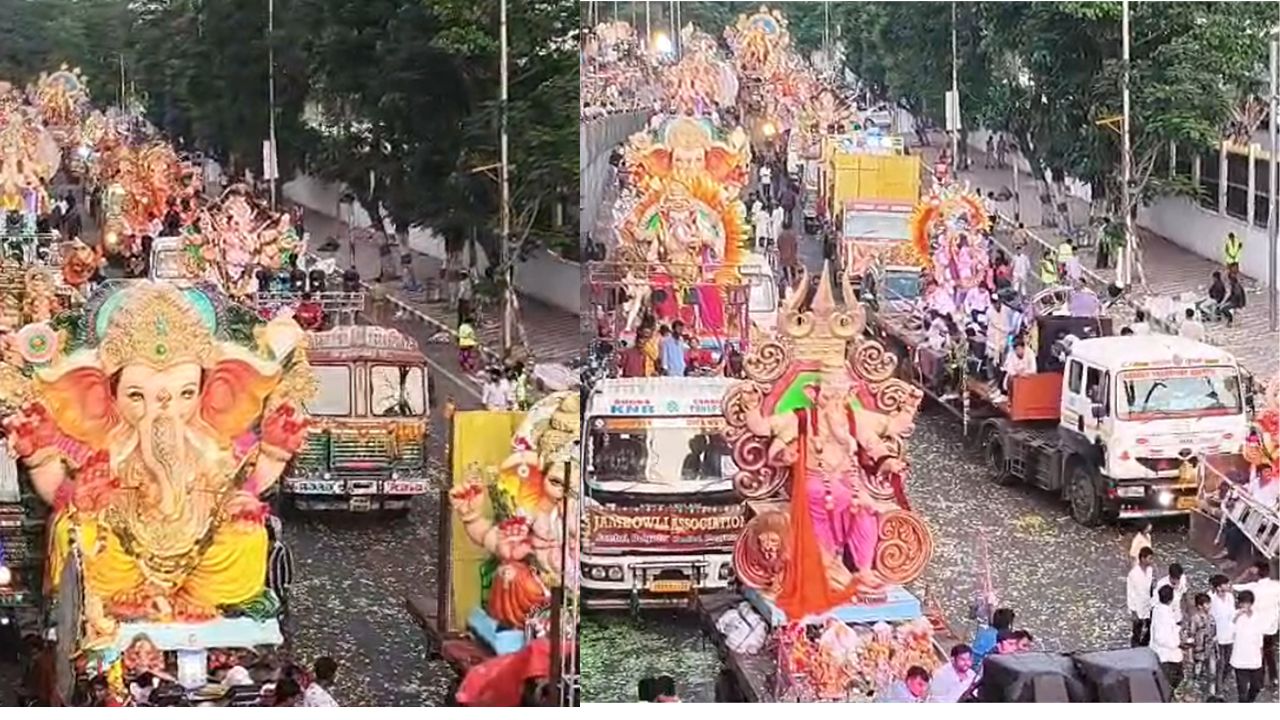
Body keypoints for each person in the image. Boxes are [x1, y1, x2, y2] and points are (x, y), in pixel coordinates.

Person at [1234, 560, 1279, 687]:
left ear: (1255, 571)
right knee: (1269, 652)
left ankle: (1260, 678)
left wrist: (1245, 574)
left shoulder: (1253, 587)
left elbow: (1234, 586)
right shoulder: (1277, 585)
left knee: (1258, 651)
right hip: (1271, 626)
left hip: (1257, 626)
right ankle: (1273, 677)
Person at [1230, 590, 1267, 702]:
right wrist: (1237, 616)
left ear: (1251, 603)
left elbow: (1260, 635)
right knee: (1242, 691)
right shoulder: (1235, 615)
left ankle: (1249, 702)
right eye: (1242, 603)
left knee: (1256, 686)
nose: (1244, 606)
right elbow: (1230, 631)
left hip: (1254, 658)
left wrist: (1261, 653)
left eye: (1247, 603)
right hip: (1240, 658)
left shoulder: (1257, 616)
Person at [1150, 584, 1183, 691]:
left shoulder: (1159, 610)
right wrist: (1176, 642)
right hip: (1166, 654)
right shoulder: (1163, 614)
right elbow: (1160, 637)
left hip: (1166, 652)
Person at [1183, 592, 1216, 699]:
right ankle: (1193, 694)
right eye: (1207, 604)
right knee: (1196, 674)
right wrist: (1189, 653)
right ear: (1200, 606)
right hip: (1199, 650)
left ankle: (1212, 695)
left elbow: (1214, 632)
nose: (1209, 606)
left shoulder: (1211, 617)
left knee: (1212, 673)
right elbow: (1191, 636)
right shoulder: (1195, 619)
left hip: (1210, 649)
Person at [1209, 574, 1237, 698]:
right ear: (1219, 587)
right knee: (1221, 663)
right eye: (1226, 584)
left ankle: (1221, 682)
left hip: (1230, 635)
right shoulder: (1212, 599)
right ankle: (1218, 689)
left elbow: (1232, 614)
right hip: (1219, 636)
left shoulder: (1230, 597)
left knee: (1230, 662)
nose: (1228, 586)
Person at [1127, 546, 1156, 647]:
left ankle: (1144, 645)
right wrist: (1133, 610)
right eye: (1149, 558)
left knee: (1150, 627)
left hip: (1148, 603)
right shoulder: (1133, 574)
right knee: (1137, 630)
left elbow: (1151, 587)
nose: (1151, 561)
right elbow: (1130, 593)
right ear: (1143, 559)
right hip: (1138, 605)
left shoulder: (1150, 570)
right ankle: (1135, 647)